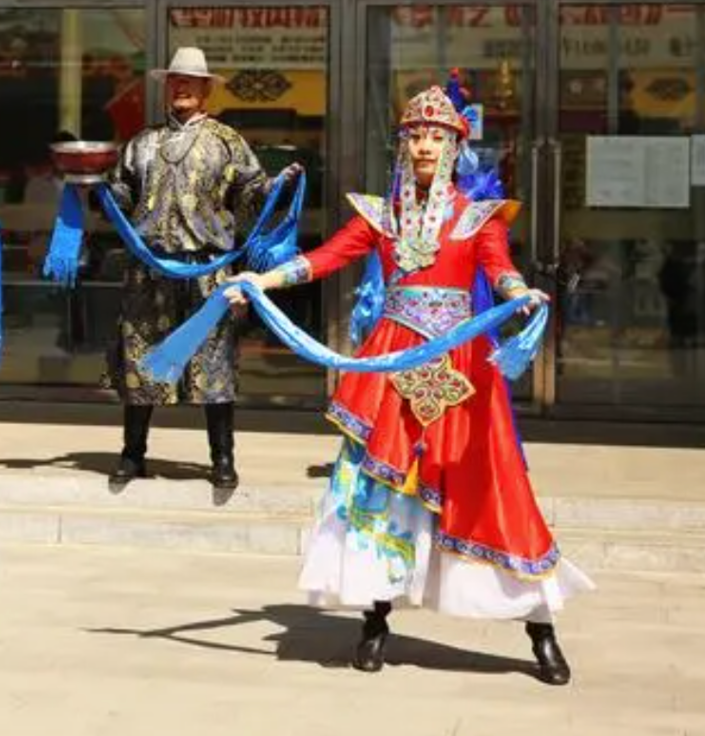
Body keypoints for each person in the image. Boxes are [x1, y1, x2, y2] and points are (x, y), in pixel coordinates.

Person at [226, 77, 593, 685]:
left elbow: (499, 271)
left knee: (488, 484)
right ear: (403, 147)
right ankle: (374, 619)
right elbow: (327, 258)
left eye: (437, 137)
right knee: (379, 490)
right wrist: (261, 283)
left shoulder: (479, 217)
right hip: (391, 362)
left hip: (459, 364)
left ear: (455, 147)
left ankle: (539, 627)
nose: (425, 146)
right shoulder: (380, 214)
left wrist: (519, 294)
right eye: (415, 136)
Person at [102, 46, 301, 491]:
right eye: (175, 80)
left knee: (214, 364)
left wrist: (279, 186)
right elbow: (121, 194)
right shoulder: (142, 142)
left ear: (206, 89)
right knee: (143, 357)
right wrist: (97, 191)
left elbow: (253, 193)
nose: (182, 87)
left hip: (208, 268)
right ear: (166, 87)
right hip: (149, 269)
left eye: (191, 80)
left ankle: (222, 458)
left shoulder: (227, 141)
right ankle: (133, 454)